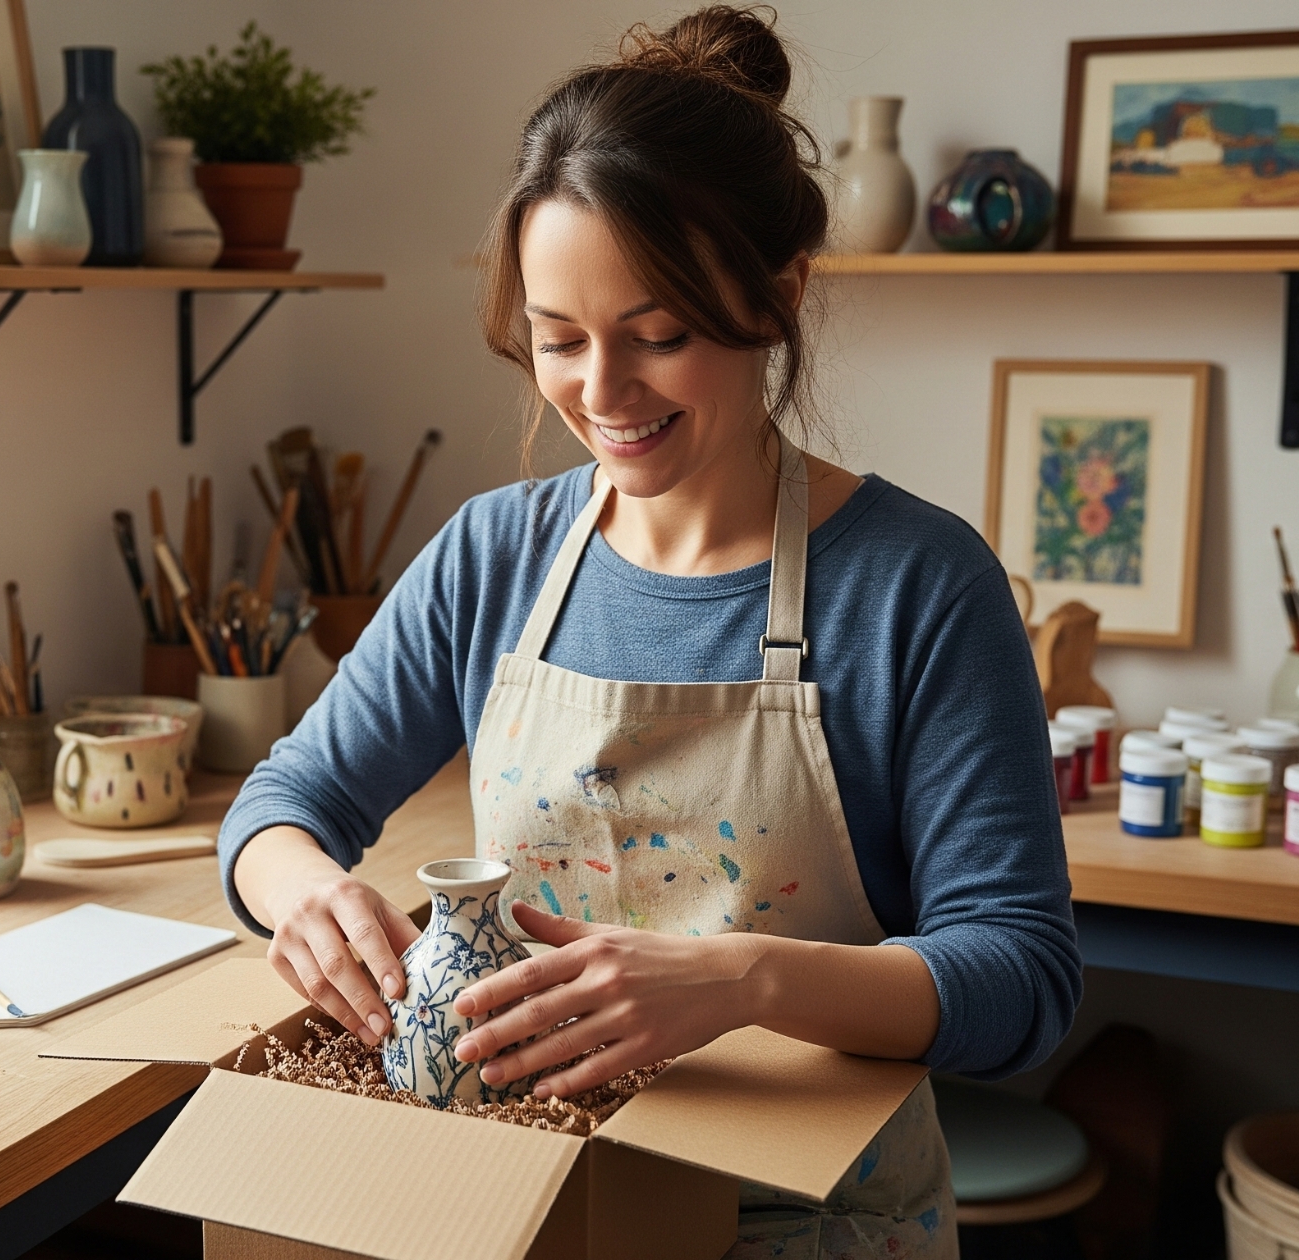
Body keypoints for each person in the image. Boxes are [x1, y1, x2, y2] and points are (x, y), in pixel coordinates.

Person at [219, 7, 1079, 1255]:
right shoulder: (492, 556)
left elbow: (1021, 982)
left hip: (810, 1226)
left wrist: (743, 978)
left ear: (776, 296)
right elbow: (283, 799)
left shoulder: (917, 586)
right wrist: (304, 896)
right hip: (532, 1211)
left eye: (657, 338)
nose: (601, 396)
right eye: (557, 342)